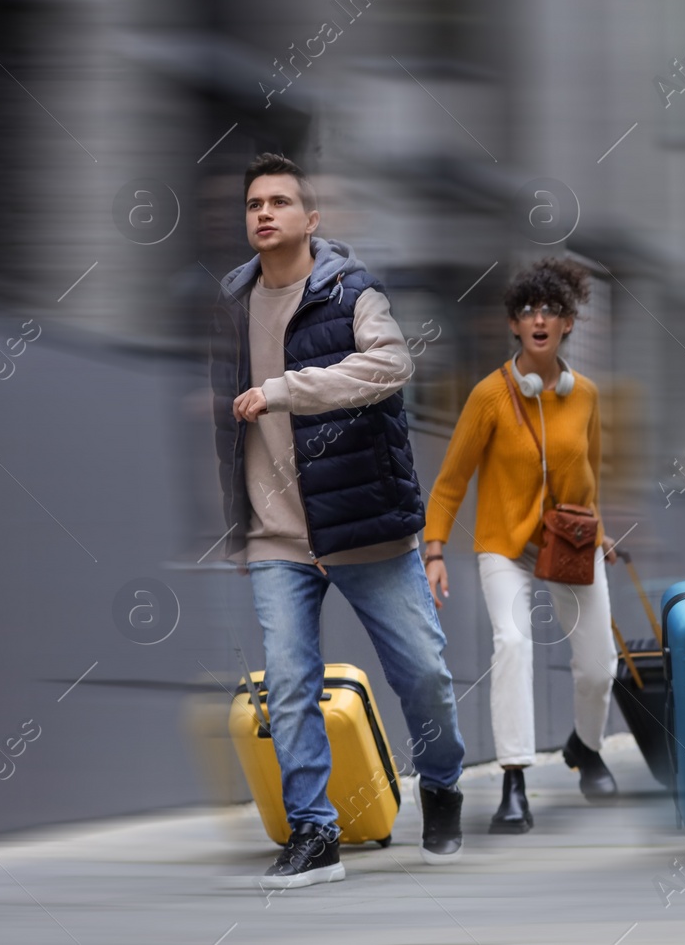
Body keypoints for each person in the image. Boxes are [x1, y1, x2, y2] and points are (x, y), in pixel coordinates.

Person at [210, 153, 467, 888]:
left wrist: (285, 389)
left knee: (423, 673)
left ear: (311, 220)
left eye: (280, 201)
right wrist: (237, 523)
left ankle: (443, 780)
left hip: (364, 523)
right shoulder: (232, 305)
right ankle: (314, 833)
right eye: (254, 202)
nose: (264, 212)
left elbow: (390, 367)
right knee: (289, 681)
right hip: (276, 533)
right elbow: (226, 426)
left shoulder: (351, 291)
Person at [423, 257, 618, 835]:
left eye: (551, 311)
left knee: (597, 667)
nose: (539, 320)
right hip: (505, 548)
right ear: (513, 324)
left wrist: (598, 535)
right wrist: (434, 550)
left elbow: (592, 472)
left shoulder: (585, 396)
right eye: (528, 311)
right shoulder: (489, 396)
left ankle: (585, 746)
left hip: (572, 544)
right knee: (512, 643)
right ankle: (514, 781)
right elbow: (451, 480)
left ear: (568, 325)